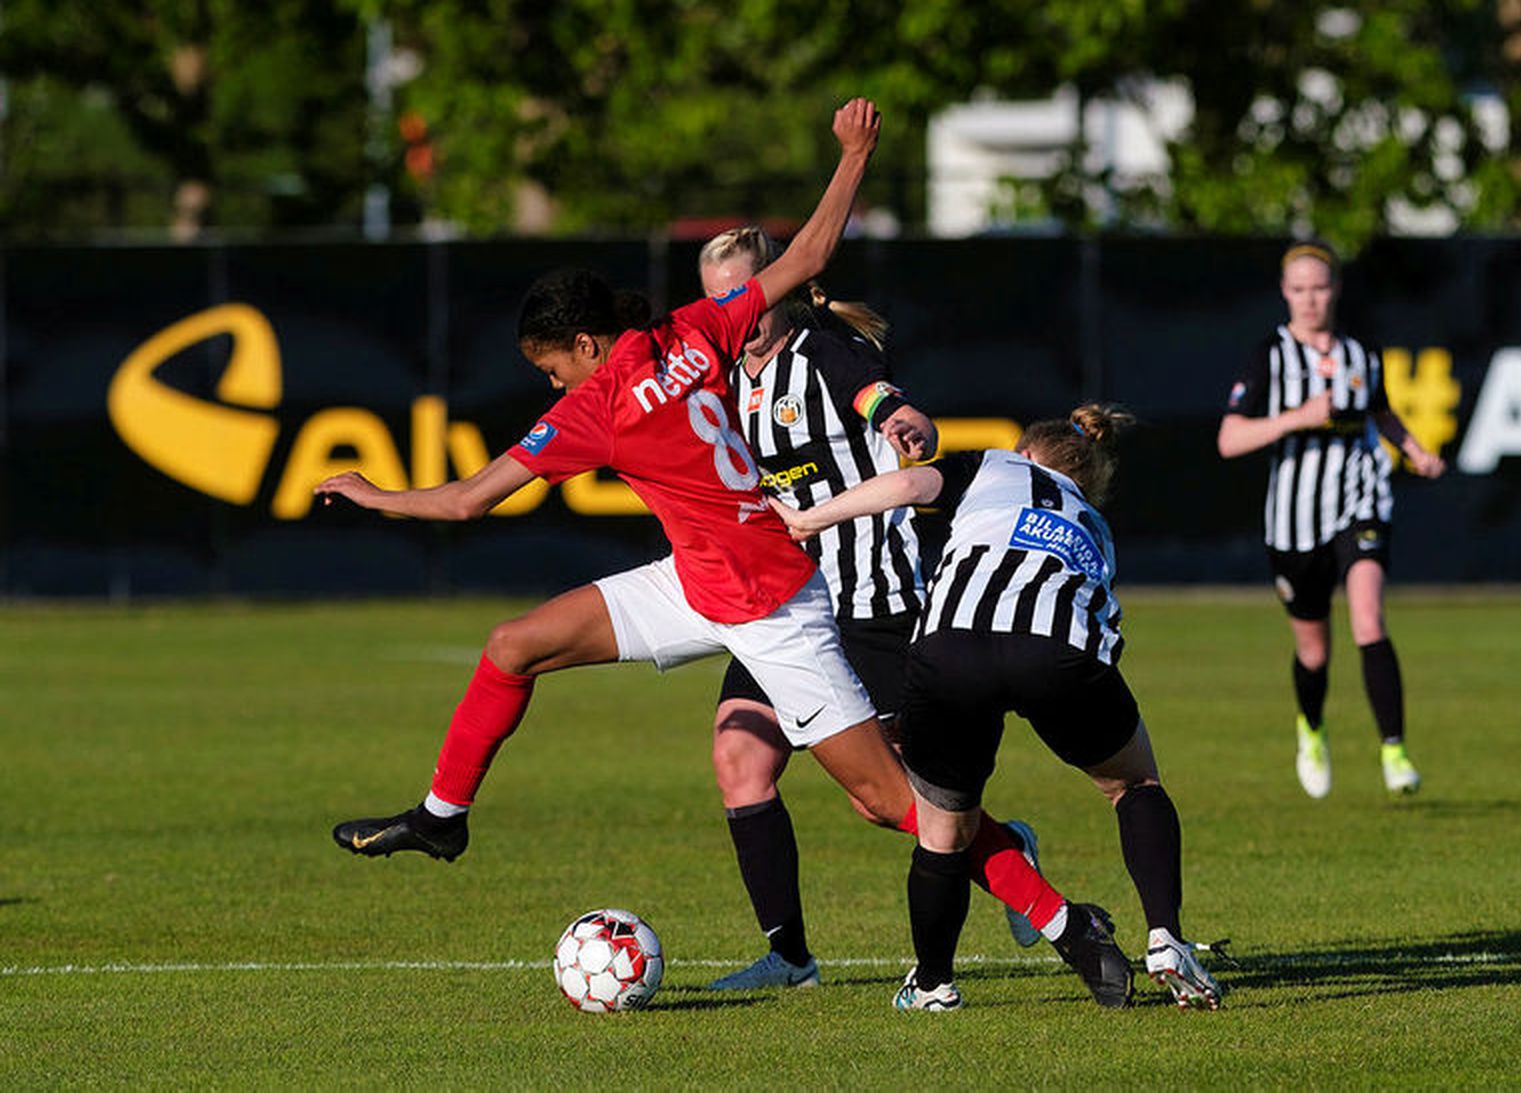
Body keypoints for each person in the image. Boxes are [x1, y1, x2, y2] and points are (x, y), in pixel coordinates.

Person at [318, 100, 1126, 1006]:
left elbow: (469, 499)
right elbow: (812, 258)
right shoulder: (698, 330)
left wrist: (372, 493)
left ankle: (1066, 921)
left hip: (777, 607)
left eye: (553, 368)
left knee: (895, 805)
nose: (551, 385)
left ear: (586, 345)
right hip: (697, 581)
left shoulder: (597, 407)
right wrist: (854, 155)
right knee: (516, 643)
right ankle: (442, 819)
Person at [771, 403, 1222, 1011]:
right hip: (1057, 652)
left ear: (1027, 452)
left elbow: (907, 483)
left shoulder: (993, 466)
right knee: (1134, 783)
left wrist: (809, 520)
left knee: (943, 832)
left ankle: (932, 984)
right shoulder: (1095, 525)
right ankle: (1166, 937)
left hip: (951, 647)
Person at [694, 227, 1045, 991]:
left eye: (745, 292)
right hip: (780, 604)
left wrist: (900, 418)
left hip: (871, 601)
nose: (735, 308)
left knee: (890, 802)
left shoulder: (818, 351)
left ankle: (1015, 857)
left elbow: (875, 391)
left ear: (779, 288)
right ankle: (789, 957)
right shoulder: (723, 376)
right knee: (740, 759)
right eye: (719, 296)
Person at [1217, 241, 1446, 799]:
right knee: (1314, 650)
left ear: (1335, 289)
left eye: (1319, 287)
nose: (1310, 299)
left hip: (1360, 499)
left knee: (1369, 617)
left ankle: (1394, 749)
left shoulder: (1361, 351)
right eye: (1299, 289)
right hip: (1294, 521)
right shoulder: (1269, 356)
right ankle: (1312, 729)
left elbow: (1381, 411)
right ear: (1284, 293)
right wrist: (1300, 416)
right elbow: (1230, 439)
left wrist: (1414, 450)